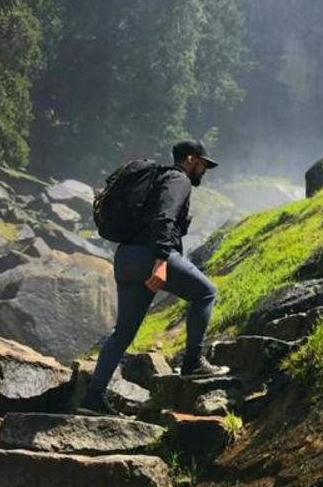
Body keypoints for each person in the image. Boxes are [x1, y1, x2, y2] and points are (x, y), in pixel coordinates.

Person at [80, 139, 222, 415]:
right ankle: (193, 362)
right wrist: (160, 261)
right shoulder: (178, 179)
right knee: (206, 292)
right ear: (191, 159)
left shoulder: (156, 179)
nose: (204, 171)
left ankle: (92, 398)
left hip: (126, 258)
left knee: (122, 332)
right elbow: (164, 218)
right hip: (150, 256)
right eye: (204, 164)